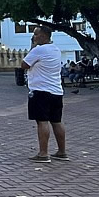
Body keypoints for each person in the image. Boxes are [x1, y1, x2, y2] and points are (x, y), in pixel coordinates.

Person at [23, 26, 66, 162]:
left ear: (43, 36)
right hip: (56, 91)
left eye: (36, 34)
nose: (33, 37)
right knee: (57, 121)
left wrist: (33, 46)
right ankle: (62, 151)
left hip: (41, 91)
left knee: (42, 121)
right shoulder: (56, 50)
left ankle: (43, 153)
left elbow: (24, 64)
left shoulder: (38, 50)